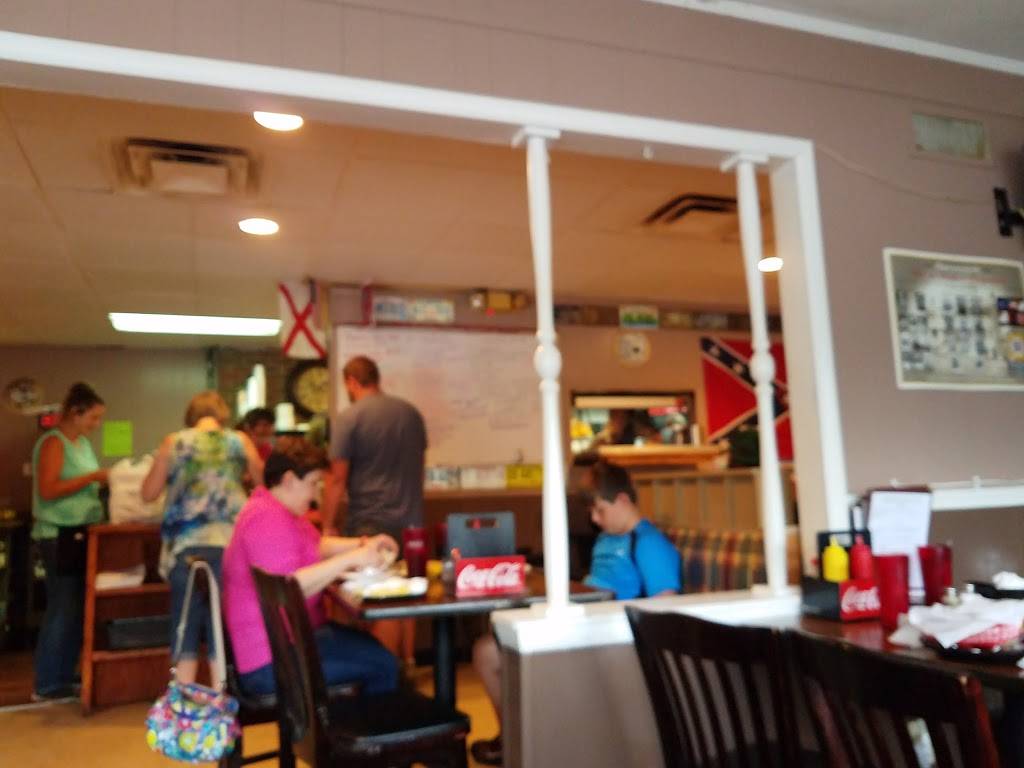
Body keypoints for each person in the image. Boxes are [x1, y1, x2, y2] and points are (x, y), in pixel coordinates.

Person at [469, 460, 682, 765]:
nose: (594, 519)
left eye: (599, 510)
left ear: (622, 500)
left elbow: (665, 607)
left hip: (608, 640)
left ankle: (531, 742)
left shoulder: (648, 544)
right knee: (487, 650)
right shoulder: (607, 539)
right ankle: (514, 739)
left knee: (490, 651)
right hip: (580, 626)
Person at [223, 437, 399, 696]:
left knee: (374, 650)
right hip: (270, 661)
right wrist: (351, 558)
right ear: (289, 479)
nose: (317, 495)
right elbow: (290, 587)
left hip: (288, 641)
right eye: (314, 484)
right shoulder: (265, 519)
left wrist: (363, 543)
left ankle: (349, 721)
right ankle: (353, 723)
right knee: (383, 664)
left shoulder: (278, 510)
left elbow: (315, 546)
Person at [142, 391, 262, 684]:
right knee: (221, 624)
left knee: (186, 622)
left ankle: (184, 698)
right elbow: (264, 486)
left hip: (187, 545)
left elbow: (148, 493)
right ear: (222, 415)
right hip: (231, 545)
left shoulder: (173, 442)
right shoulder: (240, 441)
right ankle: (222, 695)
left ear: (191, 416)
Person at [323, 356, 427, 665]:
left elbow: (337, 478)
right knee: (410, 593)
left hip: (369, 522)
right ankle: (409, 661)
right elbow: (419, 469)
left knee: (381, 601)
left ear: (351, 382)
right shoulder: (411, 413)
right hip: (412, 522)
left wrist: (327, 525)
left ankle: (387, 671)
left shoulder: (349, 418)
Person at [31, 383, 108, 700]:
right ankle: (48, 681)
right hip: (58, 534)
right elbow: (48, 489)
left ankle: (65, 673)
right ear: (76, 413)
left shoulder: (82, 444)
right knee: (63, 606)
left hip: (80, 531)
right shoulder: (53, 442)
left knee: (76, 607)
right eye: (93, 418)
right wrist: (92, 478)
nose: (96, 425)